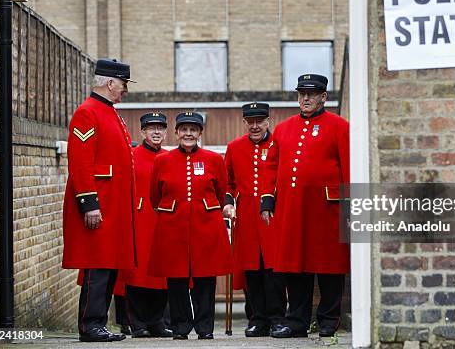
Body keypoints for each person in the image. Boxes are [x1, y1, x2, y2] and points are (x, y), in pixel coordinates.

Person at [260, 74, 350, 338]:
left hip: (328, 208)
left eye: (312, 94)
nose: (306, 98)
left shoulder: (339, 126)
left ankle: (328, 320)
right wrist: (267, 198)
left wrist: (350, 206)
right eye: (302, 94)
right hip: (293, 209)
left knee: (329, 266)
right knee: (295, 267)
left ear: (324, 97)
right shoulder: (283, 129)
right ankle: (297, 321)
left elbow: (349, 165)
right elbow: (270, 167)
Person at [62, 58, 136, 342]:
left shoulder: (108, 111)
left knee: (108, 265)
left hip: (112, 207)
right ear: (110, 82)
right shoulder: (88, 112)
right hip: (99, 206)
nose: (125, 89)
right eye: (124, 84)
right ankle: (90, 326)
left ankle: (98, 324)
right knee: (97, 266)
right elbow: (80, 162)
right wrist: (89, 204)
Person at [148, 112, 232, 340]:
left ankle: (205, 329)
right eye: (183, 129)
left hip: (206, 227)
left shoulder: (213, 159)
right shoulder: (161, 161)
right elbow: (155, 197)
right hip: (172, 228)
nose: (188, 134)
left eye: (193, 130)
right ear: (176, 133)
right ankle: (180, 328)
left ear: (200, 133)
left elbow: (221, 191)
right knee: (176, 281)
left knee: (205, 280)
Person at [223, 103, 286, 338]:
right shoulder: (234, 147)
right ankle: (257, 319)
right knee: (252, 270)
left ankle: (278, 318)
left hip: (273, 217)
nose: (255, 126)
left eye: (259, 121)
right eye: (250, 122)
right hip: (247, 218)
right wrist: (228, 202)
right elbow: (228, 182)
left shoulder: (278, 145)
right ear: (245, 123)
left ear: (268, 121)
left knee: (274, 270)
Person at [119, 112, 173, 338]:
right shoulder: (130, 156)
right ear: (142, 132)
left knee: (161, 274)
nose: (157, 131)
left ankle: (157, 321)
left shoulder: (171, 158)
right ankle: (137, 323)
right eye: (152, 128)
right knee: (137, 274)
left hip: (162, 222)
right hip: (139, 220)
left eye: (160, 128)